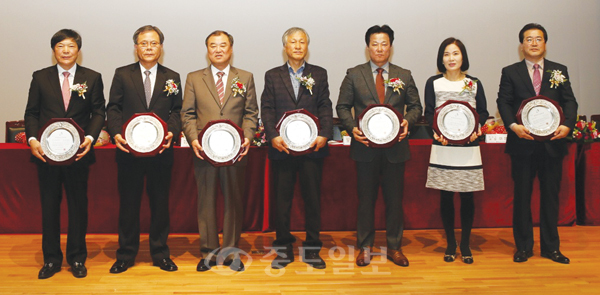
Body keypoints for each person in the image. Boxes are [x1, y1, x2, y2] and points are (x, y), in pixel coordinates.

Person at [336, 25, 422, 267]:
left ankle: (394, 247)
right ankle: (364, 247)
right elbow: (342, 106)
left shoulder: (403, 75)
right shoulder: (354, 74)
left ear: (391, 47)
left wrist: (408, 121)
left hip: (396, 149)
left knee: (395, 201)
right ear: (368, 47)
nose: (380, 48)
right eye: (375, 43)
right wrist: (351, 127)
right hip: (365, 149)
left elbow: (416, 107)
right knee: (366, 201)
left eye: (384, 43)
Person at [24, 29, 106, 279]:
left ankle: (77, 259)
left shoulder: (91, 77)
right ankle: (51, 259)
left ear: (78, 50)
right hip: (47, 155)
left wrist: (90, 139)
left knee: (78, 207)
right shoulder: (40, 77)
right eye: (61, 46)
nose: (66, 51)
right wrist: (32, 140)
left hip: (78, 155)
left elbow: (99, 112)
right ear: (54, 50)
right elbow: (31, 113)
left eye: (71, 46)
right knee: (49, 206)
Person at [497, 23, 578, 264]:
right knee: (521, 196)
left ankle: (551, 248)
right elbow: (504, 102)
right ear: (521, 45)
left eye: (538, 39)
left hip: (553, 143)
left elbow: (569, 101)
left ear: (545, 43)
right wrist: (513, 126)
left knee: (551, 197)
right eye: (529, 39)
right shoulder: (510, 71)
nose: (533, 43)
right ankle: (523, 247)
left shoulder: (558, 70)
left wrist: (568, 125)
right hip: (522, 143)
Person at [106, 25, 182, 273]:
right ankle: (126, 255)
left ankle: (160, 253)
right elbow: (113, 108)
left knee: (160, 204)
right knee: (129, 204)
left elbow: (178, 111)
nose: (149, 47)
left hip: (161, 153)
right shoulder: (122, 74)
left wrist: (171, 131)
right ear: (136, 47)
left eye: (153, 43)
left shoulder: (173, 76)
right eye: (143, 43)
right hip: (129, 152)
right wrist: (117, 133)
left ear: (161, 47)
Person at [181, 30, 258, 272]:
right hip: (204, 152)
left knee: (234, 202)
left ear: (231, 49)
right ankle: (209, 253)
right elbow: (188, 114)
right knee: (206, 202)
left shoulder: (244, 77)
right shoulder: (194, 78)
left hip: (236, 151)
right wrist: (193, 139)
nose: (218, 49)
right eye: (213, 45)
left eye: (223, 45)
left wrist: (247, 137)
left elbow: (250, 113)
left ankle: (232, 253)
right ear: (207, 50)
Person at [261, 27, 333, 270]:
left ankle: (313, 250)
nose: (298, 46)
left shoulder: (319, 74)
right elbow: (267, 108)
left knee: (313, 199)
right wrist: (272, 136)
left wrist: (324, 134)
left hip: (312, 148)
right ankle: (283, 251)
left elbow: (325, 105)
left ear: (307, 46)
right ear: (285, 47)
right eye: (293, 42)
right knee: (282, 202)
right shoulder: (272, 75)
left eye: (302, 42)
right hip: (282, 149)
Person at [424, 38, 489, 264]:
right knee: (446, 196)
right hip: (443, 147)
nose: (451, 58)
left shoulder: (474, 83)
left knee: (467, 196)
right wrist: (435, 132)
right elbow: (429, 112)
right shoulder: (433, 82)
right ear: (441, 59)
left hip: (468, 148)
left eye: (455, 53)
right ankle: (451, 243)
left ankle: (466, 244)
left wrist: (477, 131)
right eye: (446, 54)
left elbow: (483, 111)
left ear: (463, 57)